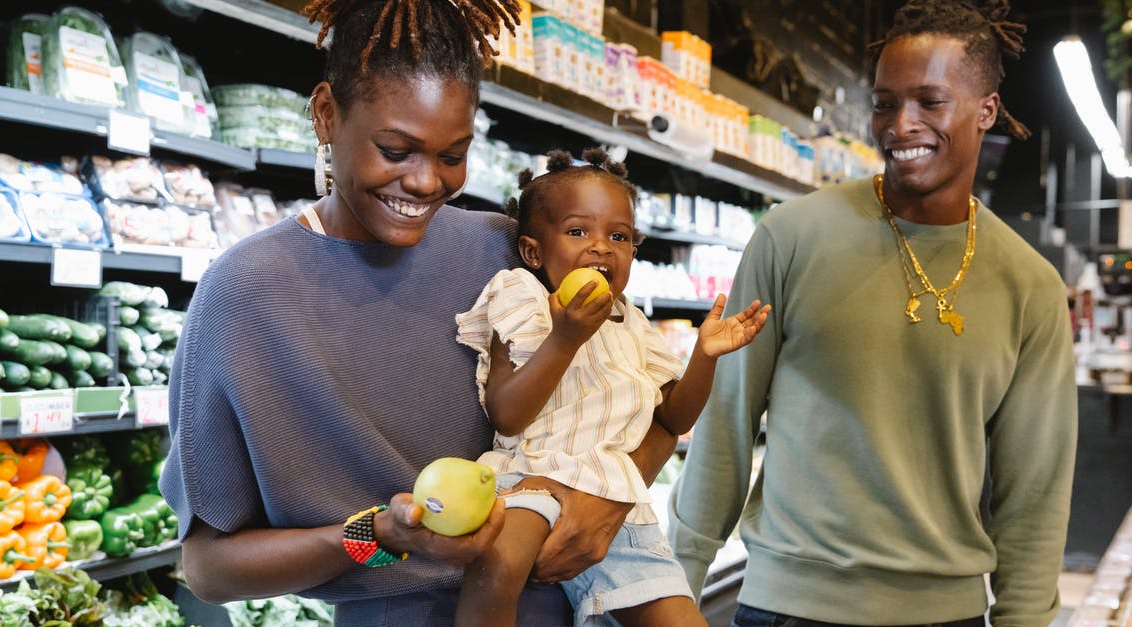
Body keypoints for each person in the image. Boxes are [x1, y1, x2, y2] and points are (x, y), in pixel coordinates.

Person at [159, 1, 679, 624]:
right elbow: (210, 568)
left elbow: (642, 405)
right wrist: (378, 534)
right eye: (396, 149)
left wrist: (609, 498)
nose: (427, 182)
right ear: (327, 114)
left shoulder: (506, 251)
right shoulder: (245, 294)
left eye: (452, 155)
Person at [667, 1, 1077, 626]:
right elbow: (725, 425)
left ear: (986, 111)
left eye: (930, 102)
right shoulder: (790, 238)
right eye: (885, 102)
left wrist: (1024, 620)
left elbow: (1036, 490)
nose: (900, 124)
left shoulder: (1031, 287)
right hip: (787, 608)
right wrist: (669, 589)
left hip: (947, 613)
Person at [452, 148, 769, 627]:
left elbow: (674, 419)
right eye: (578, 231)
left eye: (618, 236)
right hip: (531, 480)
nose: (601, 246)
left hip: (618, 499)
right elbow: (506, 413)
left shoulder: (634, 324)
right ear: (534, 251)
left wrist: (704, 358)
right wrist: (565, 338)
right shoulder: (522, 296)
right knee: (497, 565)